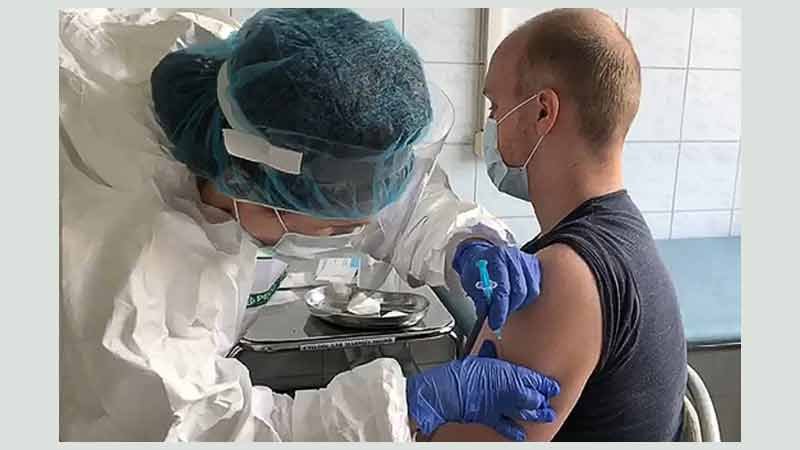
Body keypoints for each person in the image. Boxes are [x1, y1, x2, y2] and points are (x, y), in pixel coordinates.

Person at [59, 8, 559, 442]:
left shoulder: (256, 89)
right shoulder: (127, 260)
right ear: (257, 187)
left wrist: (463, 241)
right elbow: (197, 427)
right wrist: (402, 406)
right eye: (336, 229)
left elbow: (376, 189)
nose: (358, 230)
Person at [446, 8, 688, 441]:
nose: (491, 124)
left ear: (542, 112)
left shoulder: (563, 275)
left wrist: (409, 404)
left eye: (495, 107)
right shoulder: (625, 232)